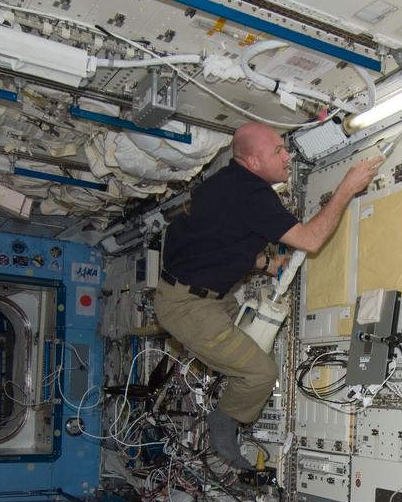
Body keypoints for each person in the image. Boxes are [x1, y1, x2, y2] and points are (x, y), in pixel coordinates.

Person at [156, 122, 383, 469]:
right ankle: (224, 419)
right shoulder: (253, 196)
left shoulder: (223, 182)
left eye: (284, 148)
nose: (287, 156)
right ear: (253, 162)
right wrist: (346, 189)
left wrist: (266, 264)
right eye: (278, 151)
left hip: (208, 295)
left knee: (250, 339)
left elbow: (222, 242)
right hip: (187, 305)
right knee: (260, 373)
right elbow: (310, 240)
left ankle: (230, 375)